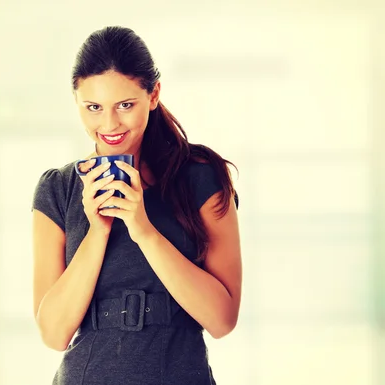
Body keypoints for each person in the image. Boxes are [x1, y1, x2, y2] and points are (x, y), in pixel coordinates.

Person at [32, 25, 242, 385]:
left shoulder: (202, 178)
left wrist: (144, 230)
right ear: (77, 103)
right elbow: (53, 333)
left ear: (154, 94)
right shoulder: (58, 189)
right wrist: (97, 230)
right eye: (93, 107)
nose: (110, 124)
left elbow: (222, 320)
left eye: (125, 105)